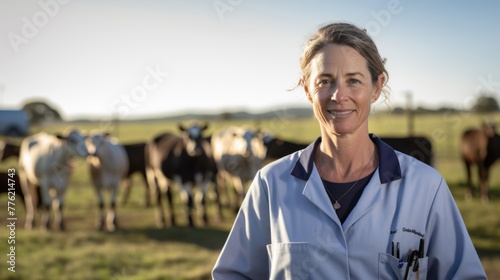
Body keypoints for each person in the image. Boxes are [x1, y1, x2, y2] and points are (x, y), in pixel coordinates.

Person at [212, 22, 486, 279]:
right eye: (325, 81)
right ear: (307, 89)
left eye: (353, 80)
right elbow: (233, 274)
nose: (338, 96)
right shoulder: (270, 185)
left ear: (377, 87)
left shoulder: (426, 187)